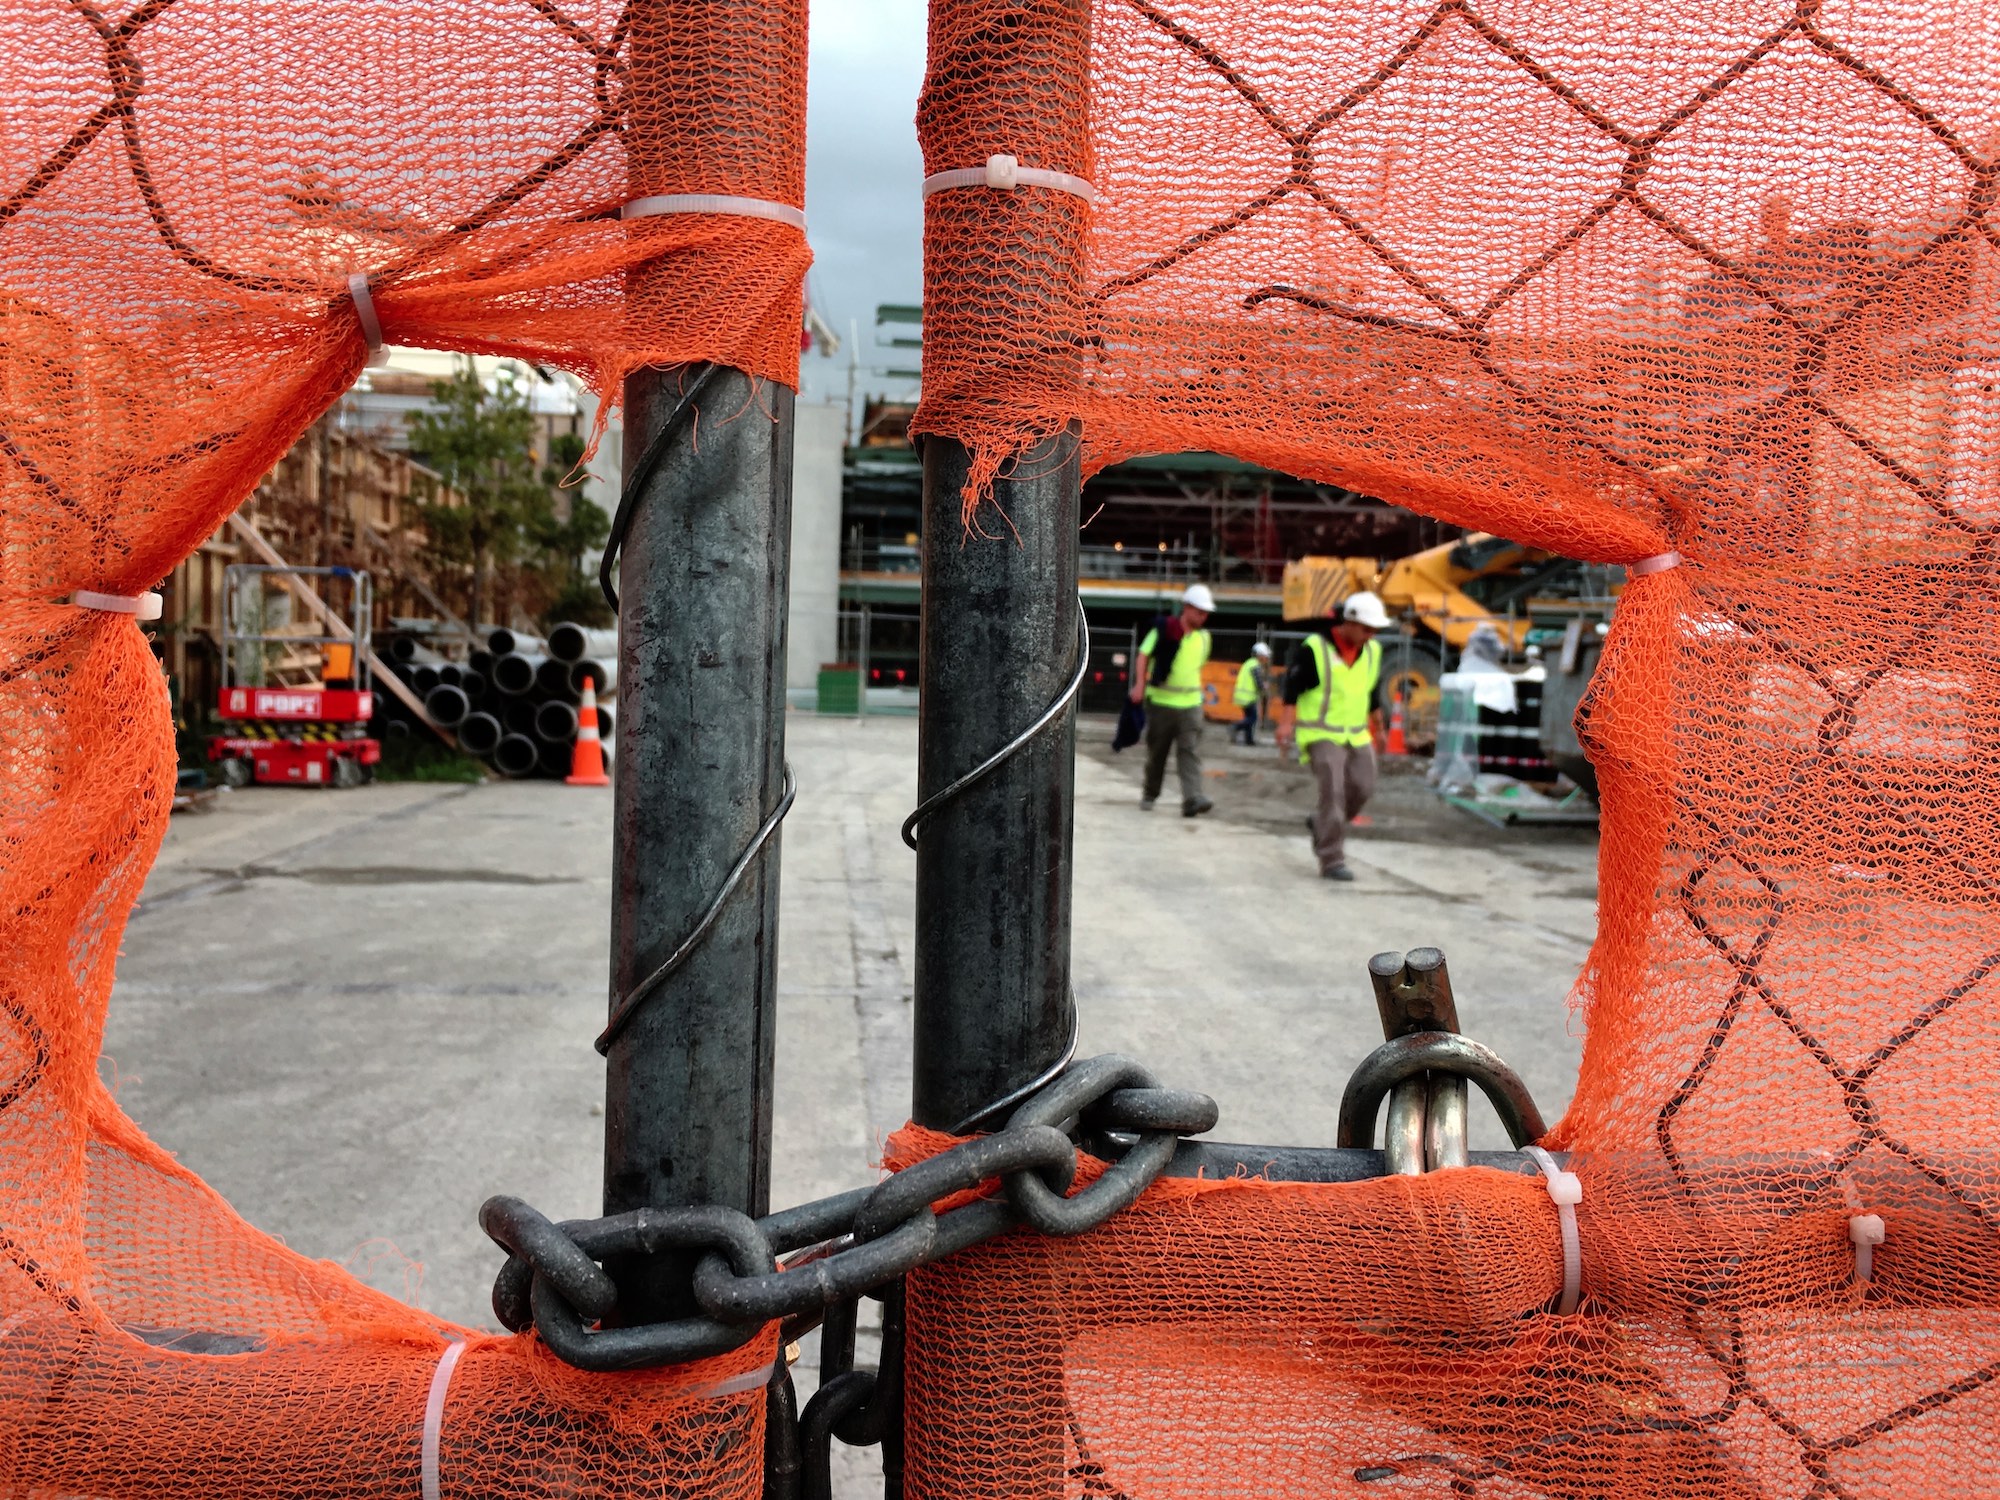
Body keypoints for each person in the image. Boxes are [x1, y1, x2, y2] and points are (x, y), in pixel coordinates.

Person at [1277, 591, 1390, 880]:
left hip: (1356, 733)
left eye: (1375, 630)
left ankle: (1321, 824)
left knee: (1363, 786)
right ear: (1349, 622)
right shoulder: (1315, 648)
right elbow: (1292, 688)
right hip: (1320, 732)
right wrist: (1285, 724)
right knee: (1333, 790)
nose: (1371, 635)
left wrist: (1380, 727)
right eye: (1366, 629)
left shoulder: (1372, 651)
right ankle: (1331, 859)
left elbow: (1372, 691)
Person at [1131, 583, 1215, 816]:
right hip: (1161, 704)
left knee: (1189, 751)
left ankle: (1192, 798)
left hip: (1191, 706)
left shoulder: (1205, 638)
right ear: (1186, 608)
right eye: (1199, 611)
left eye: (1206, 613)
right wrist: (1140, 683)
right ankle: (1150, 793)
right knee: (1158, 753)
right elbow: (1143, 654)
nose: (1203, 617)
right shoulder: (1163, 629)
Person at [1232, 642, 1272, 745]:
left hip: (1242, 696)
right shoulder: (1255, 665)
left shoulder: (1249, 663)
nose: (1266, 659)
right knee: (1252, 718)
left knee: (1249, 717)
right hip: (1247, 697)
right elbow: (1258, 681)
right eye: (1265, 656)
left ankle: (1249, 740)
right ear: (1259, 655)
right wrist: (1264, 687)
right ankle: (1235, 727)